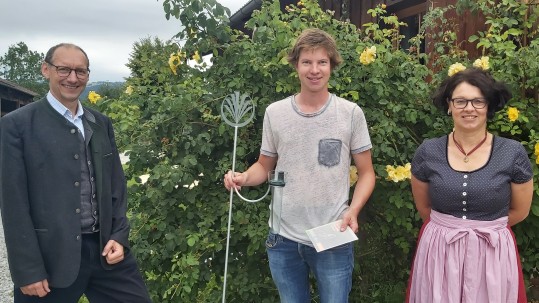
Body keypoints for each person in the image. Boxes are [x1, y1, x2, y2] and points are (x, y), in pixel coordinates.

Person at [223, 28, 376, 302]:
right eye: (307, 62)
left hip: (334, 233)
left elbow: (366, 174)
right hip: (283, 239)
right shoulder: (275, 113)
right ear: (296, 65)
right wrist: (243, 178)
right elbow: (263, 165)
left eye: (322, 62)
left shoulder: (351, 114)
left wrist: (353, 211)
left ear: (331, 65)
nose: (314, 70)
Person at [0, 43, 152, 302]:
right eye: (64, 69)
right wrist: (27, 270)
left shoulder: (100, 122)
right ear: (46, 70)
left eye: (80, 71)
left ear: (88, 76)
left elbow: (115, 186)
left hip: (106, 253)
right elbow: (12, 203)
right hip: (51, 259)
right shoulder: (16, 125)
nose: (73, 78)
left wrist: (119, 235)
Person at [406, 67, 534, 303]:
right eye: (461, 101)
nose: (469, 108)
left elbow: (521, 211)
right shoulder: (428, 151)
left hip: (492, 253)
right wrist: (449, 230)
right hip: (440, 251)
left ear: (489, 106)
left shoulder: (512, 153)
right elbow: (424, 207)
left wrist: (482, 231)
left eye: (478, 101)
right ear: (449, 104)